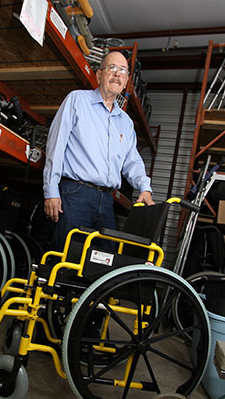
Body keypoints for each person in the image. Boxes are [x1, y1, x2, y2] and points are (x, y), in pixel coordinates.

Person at [43, 51, 155, 251]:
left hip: (106, 201)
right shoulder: (77, 101)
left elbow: (133, 161)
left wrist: (144, 188)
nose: (117, 74)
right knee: (65, 259)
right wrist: (51, 190)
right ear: (99, 75)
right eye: (112, 68)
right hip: (75, 194)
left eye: (123, 71)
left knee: (103, 262)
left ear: (127, 80)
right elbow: (56, 145)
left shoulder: (125, 123)